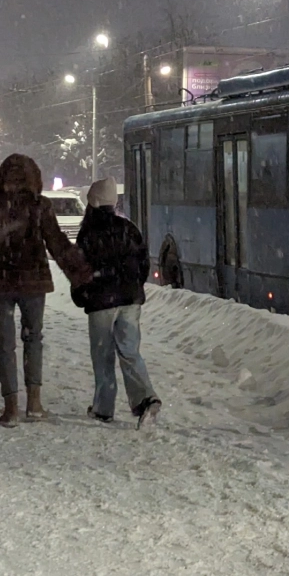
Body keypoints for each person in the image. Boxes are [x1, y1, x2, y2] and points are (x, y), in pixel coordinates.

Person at [0, 154, 90, 427]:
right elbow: (56, 243)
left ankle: (11, 408)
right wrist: (80, 274)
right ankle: (34, 403)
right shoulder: (40, 206)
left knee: (5, 345)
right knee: (33, 339)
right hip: (33, 282)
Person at [72, 178, 162, 429]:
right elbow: (143, 263)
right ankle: (146, 398)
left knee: (102, 355)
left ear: (92, 202)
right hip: (130, 300)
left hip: (101, 301)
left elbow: (79, 270)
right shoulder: (128, 228)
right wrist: (134, 286)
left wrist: (82, 295)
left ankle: (103, 408)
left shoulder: (88, 233)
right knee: (130, 351)